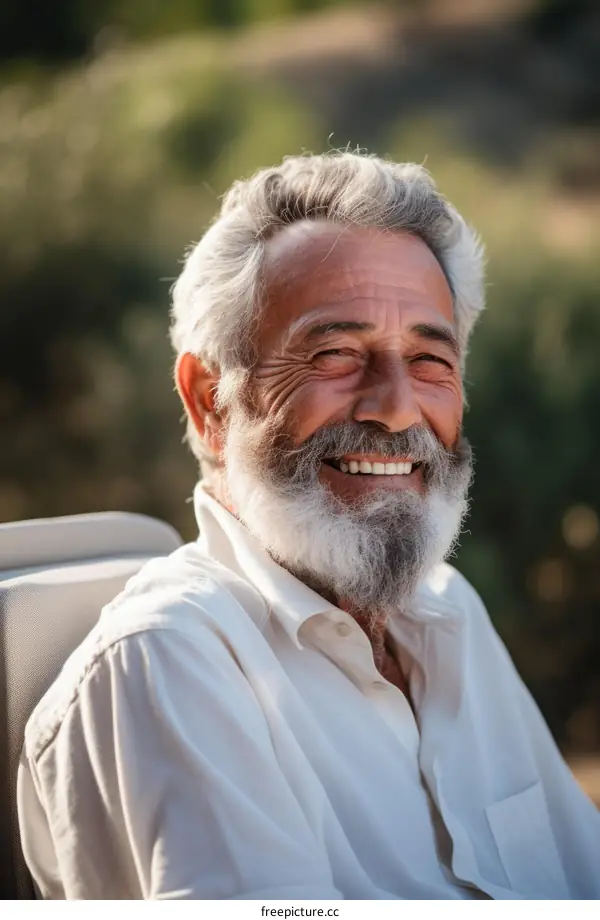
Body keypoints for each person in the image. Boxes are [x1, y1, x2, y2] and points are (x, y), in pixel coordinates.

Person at [17, 152, 600, 900]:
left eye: (430, 359)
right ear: (208, 400)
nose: (395, 406)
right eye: (334, 354)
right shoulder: (170, 662)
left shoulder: (449, 611)